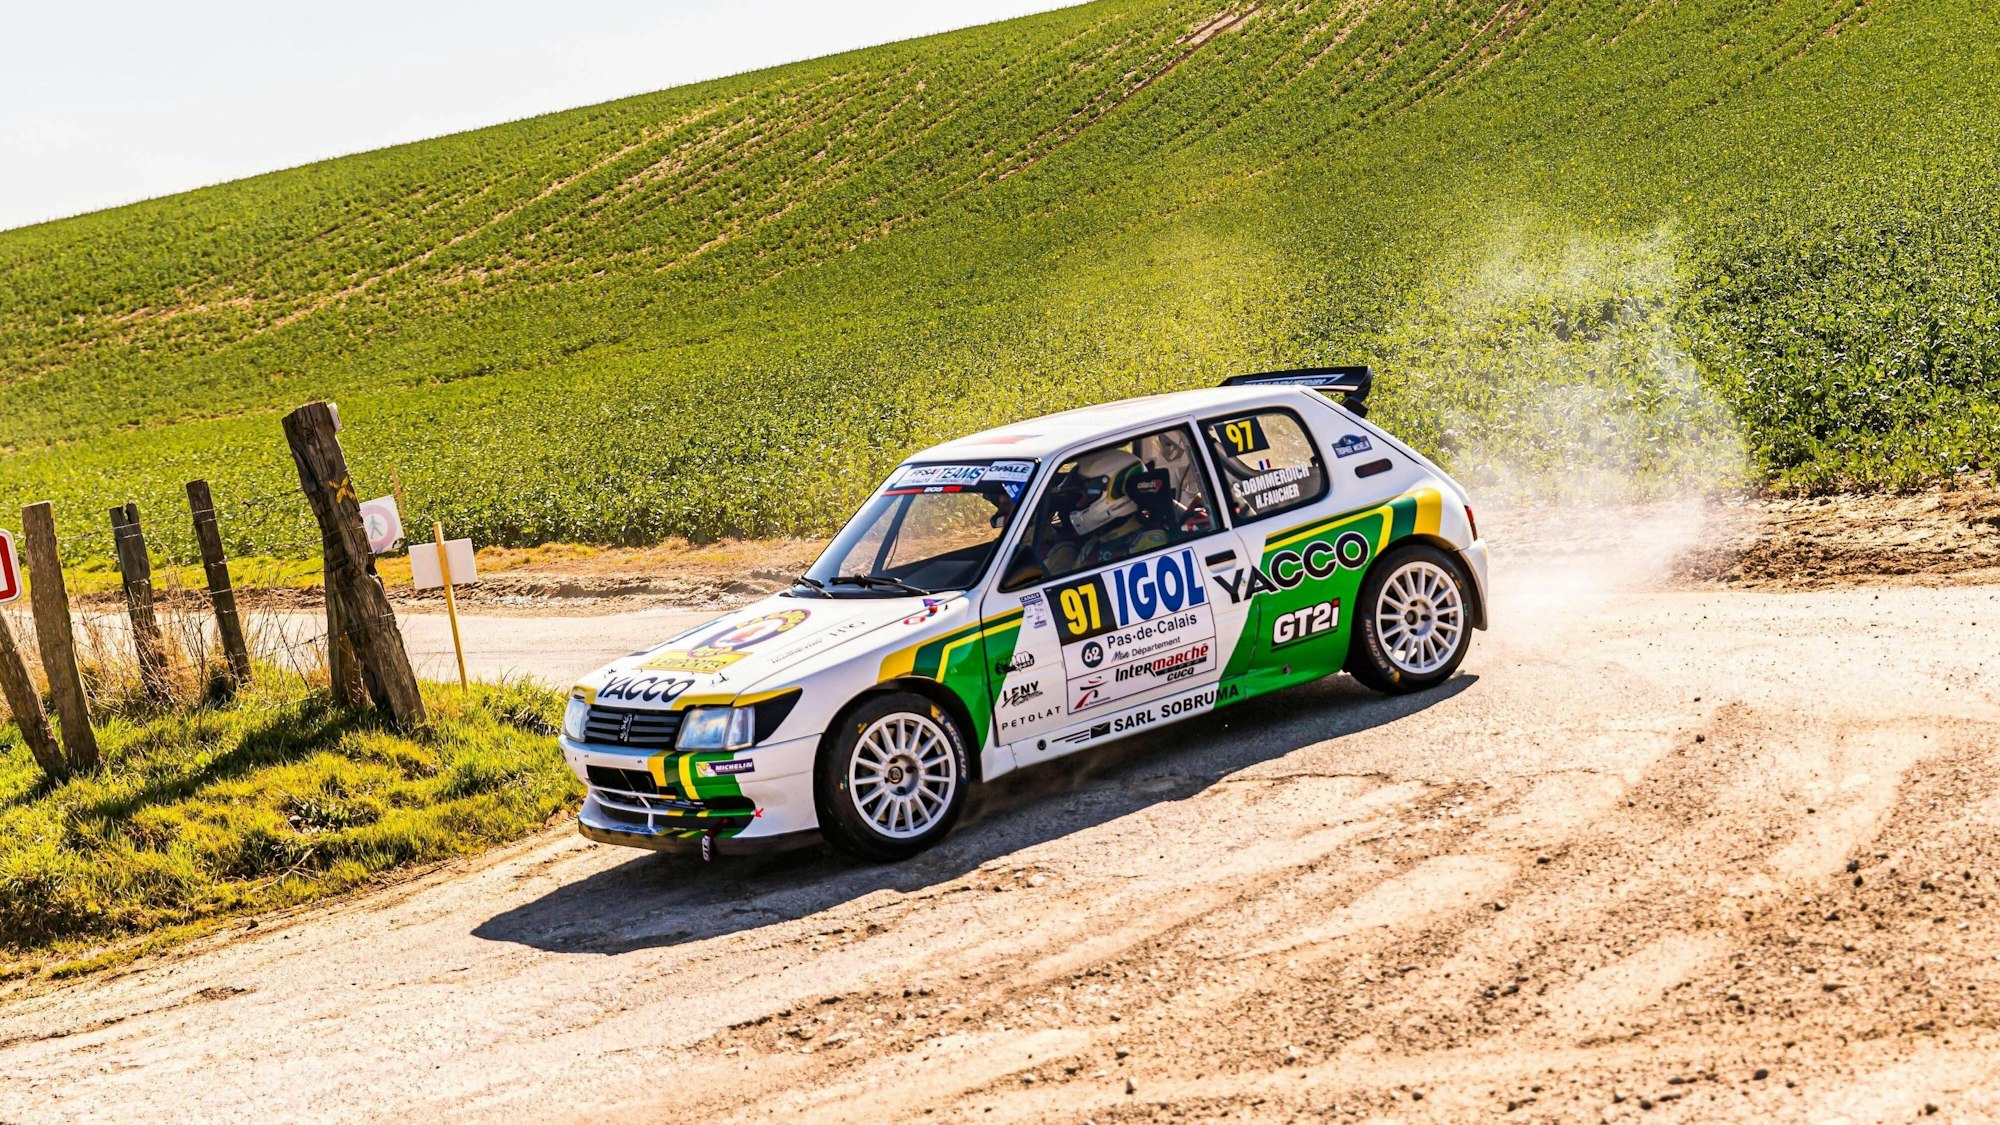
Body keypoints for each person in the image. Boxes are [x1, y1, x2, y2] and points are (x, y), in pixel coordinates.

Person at [1041, 448, 1168, 576]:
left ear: (1117, 495)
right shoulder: (1092, 546)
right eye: (1080, 495)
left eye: (1088, 496)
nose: (1078, 504)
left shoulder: (1150, 544)